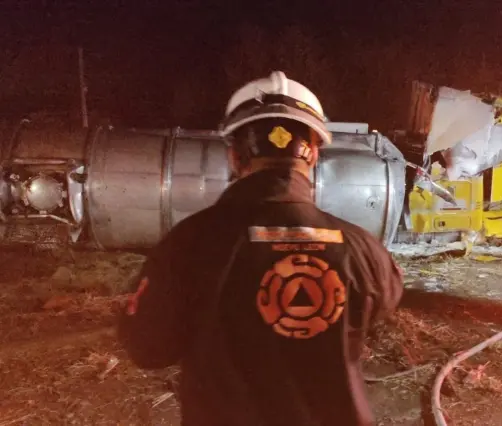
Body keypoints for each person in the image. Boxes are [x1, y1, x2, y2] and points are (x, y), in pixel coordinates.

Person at [118, 71, 404, 426]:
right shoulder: (364, 249)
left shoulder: (186, 245)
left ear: (235, 157)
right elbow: (378, 306)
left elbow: (148, 348)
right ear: (313, 154)